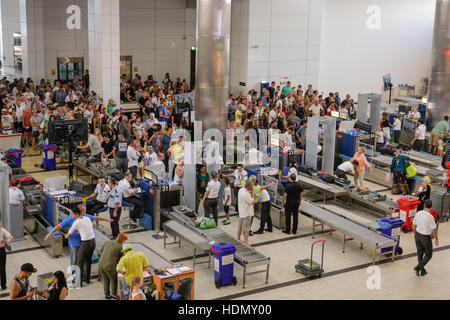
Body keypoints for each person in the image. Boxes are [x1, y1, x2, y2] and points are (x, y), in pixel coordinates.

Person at [44, 204, 111, 274]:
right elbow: (59, 226)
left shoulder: (85, 216)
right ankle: (74, 274)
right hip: (74, 243)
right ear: (79, 212)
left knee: (84, 258)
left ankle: (83, 273)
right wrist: (50, 233)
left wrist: (106, 219)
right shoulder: (70, 219)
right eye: (83, 211)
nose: (85, 213)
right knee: (74, 259)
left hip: (84, 242)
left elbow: (95, 218)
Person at [65, 206, 96, 286]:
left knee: (79, 262)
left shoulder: (76, 222)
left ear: (76, 214)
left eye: (72, 214)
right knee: (88, 261)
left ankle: (79, 282)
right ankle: (87, 280)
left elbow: (68, 235)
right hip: (93, 241)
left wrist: (65, 235)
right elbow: (92, 227)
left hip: (85, 243)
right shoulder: (87, 218)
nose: (72, 216)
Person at [98, 232, 128, 300]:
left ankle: (107, 294)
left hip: (101, 263)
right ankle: (114, 294)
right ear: (122, 240)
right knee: (113, 279)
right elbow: (122, 259)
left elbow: (102, 250)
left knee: (105, 279)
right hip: (110, 266)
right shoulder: (120, 247)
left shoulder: (108, 241)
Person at [412, 200, 438, 277]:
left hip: (417, 235)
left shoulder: (418, 213)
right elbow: (434, 229)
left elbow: (413, 225)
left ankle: (422, 270)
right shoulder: (430, 217)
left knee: (420, 253)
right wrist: (436, 239)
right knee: (428, 254)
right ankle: (418, 268)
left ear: (424, 205)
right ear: (431, 206)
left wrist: (414, 233)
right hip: (426, 238)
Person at [237, 180, 255, 247]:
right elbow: (252, 202)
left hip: (241, 212)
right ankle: (246, 243)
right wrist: (252, 194)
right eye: (252, 186)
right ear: (249, 186)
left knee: (240, 227)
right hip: (246, 213)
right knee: (246, 229)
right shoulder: (246, 194)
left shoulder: (241, 190)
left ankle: (238, 239)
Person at [0, 222, 13, 290]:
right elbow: (11, 237)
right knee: (2, 268)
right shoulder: (2, 229)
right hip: (1, 250)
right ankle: (3, 285)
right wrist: (5, 241)